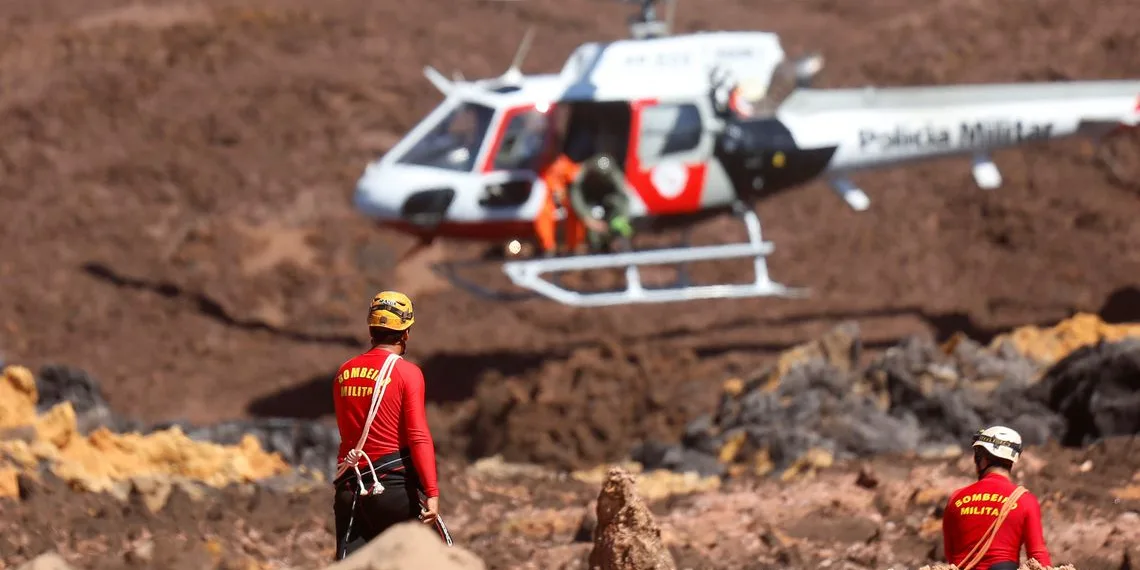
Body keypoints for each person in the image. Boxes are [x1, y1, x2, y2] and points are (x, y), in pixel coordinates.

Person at [331, 291, 451, 560]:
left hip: (350, 491)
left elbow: (348, 431)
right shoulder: (408, 373)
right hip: (393, 490)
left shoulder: (344, 372)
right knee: (439, 558)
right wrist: (432, 491)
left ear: (371, 329)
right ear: (405, 333)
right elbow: (418, 435)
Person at [941, 426, 1051, 570]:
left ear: (984, 460)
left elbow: (950, 553)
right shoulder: (1025, 500)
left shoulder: (956, 498)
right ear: (1011, 461)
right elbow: (1038, 557)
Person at [567, 152, 634, 253]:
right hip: (591, 203)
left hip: (609, 203)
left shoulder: (613, 174)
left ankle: (618, 242)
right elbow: (576, 195)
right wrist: (587, 218)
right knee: (594, 231)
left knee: (618, 217)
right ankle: (596, 247)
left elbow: (624, 195)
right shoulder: (583, 173)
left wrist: (620, 218)